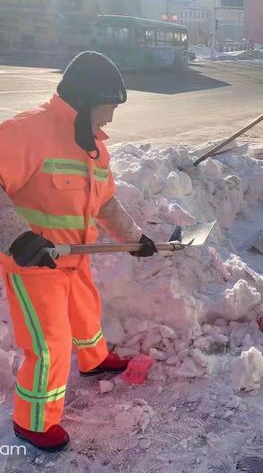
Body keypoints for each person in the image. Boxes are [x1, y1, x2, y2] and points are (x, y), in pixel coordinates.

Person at [0, 51, 158, 452]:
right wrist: (17, 237)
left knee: (86, 316)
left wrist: (135, 237)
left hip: (74, 256)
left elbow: (104, 201)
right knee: (50, 343)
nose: (110, 118)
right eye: (108, 107)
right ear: (87, 100)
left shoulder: (92, 147)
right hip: (34, 264)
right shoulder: (25, 132)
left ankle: (95, 360)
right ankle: (32, 421)